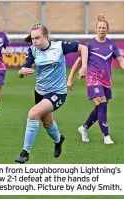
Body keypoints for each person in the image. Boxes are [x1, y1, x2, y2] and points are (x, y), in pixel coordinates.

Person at [15, 22, 88, 164]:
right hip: (40, 92)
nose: (35, 41)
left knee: (32, 114)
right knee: (47, 123)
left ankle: (25, 152)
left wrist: (84, 66)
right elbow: (22, 71)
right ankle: (58, 140)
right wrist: (21, 72)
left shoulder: (59, 46)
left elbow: (83, 48)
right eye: (33, 38)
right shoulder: (32, 50)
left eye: (37, 38)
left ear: (46, 36)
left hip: (57, 93)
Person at [67, 14, 124, 144]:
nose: (101, 29)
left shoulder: (111, 45)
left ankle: (84, 127)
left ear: (107, 29)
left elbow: (120, 61)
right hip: (93, 80)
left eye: (104, 28)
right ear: (96, 29)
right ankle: (106, 136)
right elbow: (77, 63)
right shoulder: (89, 45)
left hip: (106, 80)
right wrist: (70, 79)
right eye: (99, 27)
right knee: (102, 103)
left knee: (101, 107)